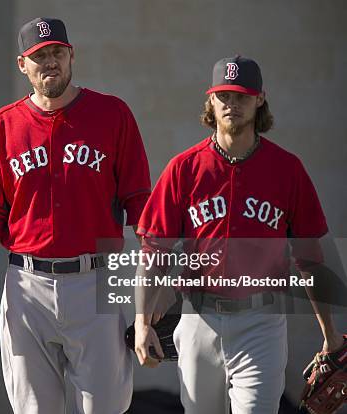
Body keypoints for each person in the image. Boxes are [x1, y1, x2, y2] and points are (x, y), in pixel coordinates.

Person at [0, 17, 151, 414]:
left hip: (96, 279)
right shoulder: (4, 125)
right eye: (39, 56)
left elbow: (140, 208)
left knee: (107, 407)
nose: (50, 62)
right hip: (26, 285)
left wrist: (151, 292)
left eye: (57, 53)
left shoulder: (112, 115)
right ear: (22, 65)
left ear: (71, 56)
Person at [134, 55, 344, 413]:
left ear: (259, 99)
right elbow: (153, 252)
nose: (232, 104)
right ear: (211, 99)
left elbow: (310, 261)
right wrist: (141, 323)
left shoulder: (287, 170)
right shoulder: (184, 169)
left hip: (260, 324)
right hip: (198, 318)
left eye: (242, 96)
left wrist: (329, 335)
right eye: (224, 95)